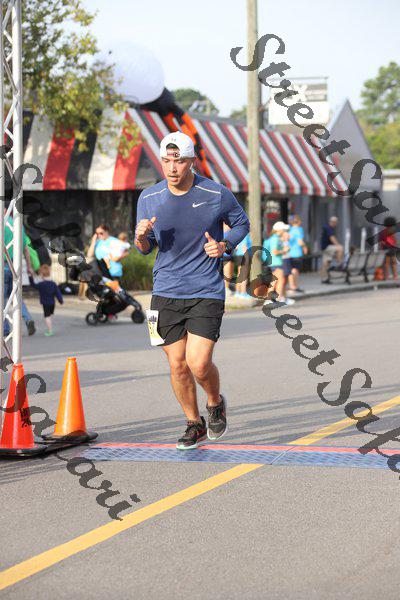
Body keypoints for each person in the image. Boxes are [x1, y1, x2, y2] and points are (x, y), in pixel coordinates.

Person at [135, 131, 249, 450]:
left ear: (192, 161)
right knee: (177, 364)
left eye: (180, 161)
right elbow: (145, 247)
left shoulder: (215, 192)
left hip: (205, 288)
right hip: (165, 289)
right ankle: (193, 423)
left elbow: (242, 224)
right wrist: (141, 237)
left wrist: (225, 245)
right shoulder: (148, 197)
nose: (172, 168)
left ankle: (214, 402)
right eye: (166, 161)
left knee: (198, 363)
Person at [3, 208, 36, 337]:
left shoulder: (2, 224)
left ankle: (5, 329)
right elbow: (26, 249)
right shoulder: (18, 225)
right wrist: (29, 267)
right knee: (16, 297)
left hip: (3, 265)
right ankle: (28, 318)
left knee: (2, 299)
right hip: (15, 267)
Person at [262, 221, 294, 307]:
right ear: (279, 230)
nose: (284, 231)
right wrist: (284, 251)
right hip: (276, 262)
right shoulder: (275, 239)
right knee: (281, 281)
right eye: (283, 229)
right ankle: (278, 299)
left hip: (275, 262)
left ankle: (269, 300)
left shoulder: (276, 238)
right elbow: (275, 252)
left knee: (275, 281)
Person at [29, 264, 63, 336]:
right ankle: (50, 327)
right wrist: (60, 300)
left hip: (45, 303)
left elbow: (33, 285)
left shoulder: (41, 284)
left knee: (47, 317)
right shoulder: (53, 284)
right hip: (52, 303)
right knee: (49, 315)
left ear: (41, 275)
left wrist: (30, 277)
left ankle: (50, 331)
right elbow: (58, 293)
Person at [320, 216, 344, 283]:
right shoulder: (328, 228)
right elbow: (332, 238)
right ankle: (339, 264)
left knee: (326, 263)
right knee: (340, 248)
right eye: (335, 223)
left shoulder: (327, 227)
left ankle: (324, 279)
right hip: (327, 247)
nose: (336, 224)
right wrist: (337, 245)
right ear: (333, 222)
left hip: (325, 247)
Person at [288, 215, 307, 293]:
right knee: (295, 270)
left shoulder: (289, 229)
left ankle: (291, 285)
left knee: (291, 270)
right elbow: (300, 241)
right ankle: (294, 286)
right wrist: (305, 247)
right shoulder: (299, 229)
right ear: (298, 221)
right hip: (297, 252)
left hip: (289, 252)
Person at [233, 232, 252, 301]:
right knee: (244, 275)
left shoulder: (239, 234)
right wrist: (247, 257)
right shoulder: (245, 235)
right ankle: (243, 293)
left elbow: (236, 247)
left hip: (238, 255)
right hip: (244, 255)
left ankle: (237, 292)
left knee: (239, 274)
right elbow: (244, 246)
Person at [379, 216, 398, 280]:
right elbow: (394, 240)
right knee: (393, 263)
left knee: (386, 264)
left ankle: (386, 277)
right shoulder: (392, 231)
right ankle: (395, 276)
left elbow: (381, 241)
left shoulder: (384, 231)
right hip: (391, 249)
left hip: (387, 249)